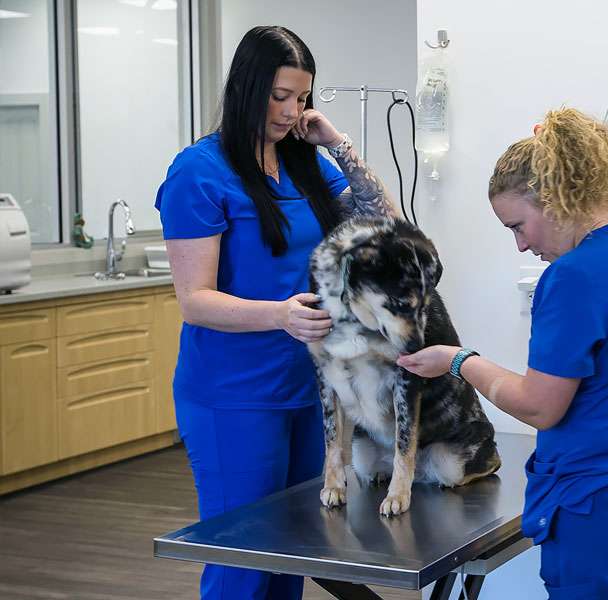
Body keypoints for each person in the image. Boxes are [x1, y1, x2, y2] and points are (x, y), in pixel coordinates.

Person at [397, 108, 608, 599]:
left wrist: (460, 360)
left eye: (518, 226)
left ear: (556, 198)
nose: (522, 245)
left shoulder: (574, 277)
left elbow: (541, 407)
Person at [155, 26, 396, 600]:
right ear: (247, 87)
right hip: (234, 394)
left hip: (310, 387)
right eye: (279, 96)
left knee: (294, 550)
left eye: (303, 98)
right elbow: (195, 299)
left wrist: (336, 143)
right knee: (244, 559)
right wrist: (279, 316)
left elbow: (383, 229)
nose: (292, 112)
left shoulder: (306, 164)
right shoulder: (200, 172)